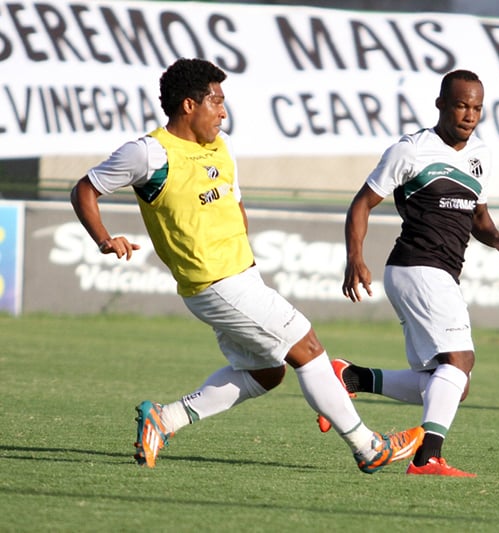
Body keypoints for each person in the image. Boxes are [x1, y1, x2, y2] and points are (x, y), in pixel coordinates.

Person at [70, 58, 423, 473]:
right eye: (215, 102)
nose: (222, 112)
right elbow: (85, 189)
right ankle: (368, 447)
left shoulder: (220, 145)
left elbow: (234, 202)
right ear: (188, 105)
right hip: (215, 283)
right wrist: (104, 239)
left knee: (266, 372)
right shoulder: (149, 153)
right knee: (306, 347)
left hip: (241, 276)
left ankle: (164, 420)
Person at [318, 69, 499, 477]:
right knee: (461, 360)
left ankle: (352, 377)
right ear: (441, 104)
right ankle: (427, 458)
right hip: (417, 265)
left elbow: (478, 215)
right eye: (461, 105)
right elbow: (361, 204)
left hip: (438, 272)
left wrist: (497, 239)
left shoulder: (481, 156)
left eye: (477, 107)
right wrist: (354, 257)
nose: (469, 115)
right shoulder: (411, 150)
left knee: (449, 383)